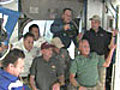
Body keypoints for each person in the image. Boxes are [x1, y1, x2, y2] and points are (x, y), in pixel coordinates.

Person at [82, 15, 117, 90]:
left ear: (99, 23)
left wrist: (113, 36)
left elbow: (110, 46)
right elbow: (82, 47)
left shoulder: (105, 34)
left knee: (101, 81)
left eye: (95, 22)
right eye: (92, 22)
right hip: (90, 59)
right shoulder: (87, 34)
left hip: (101, 59)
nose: (93, 24)